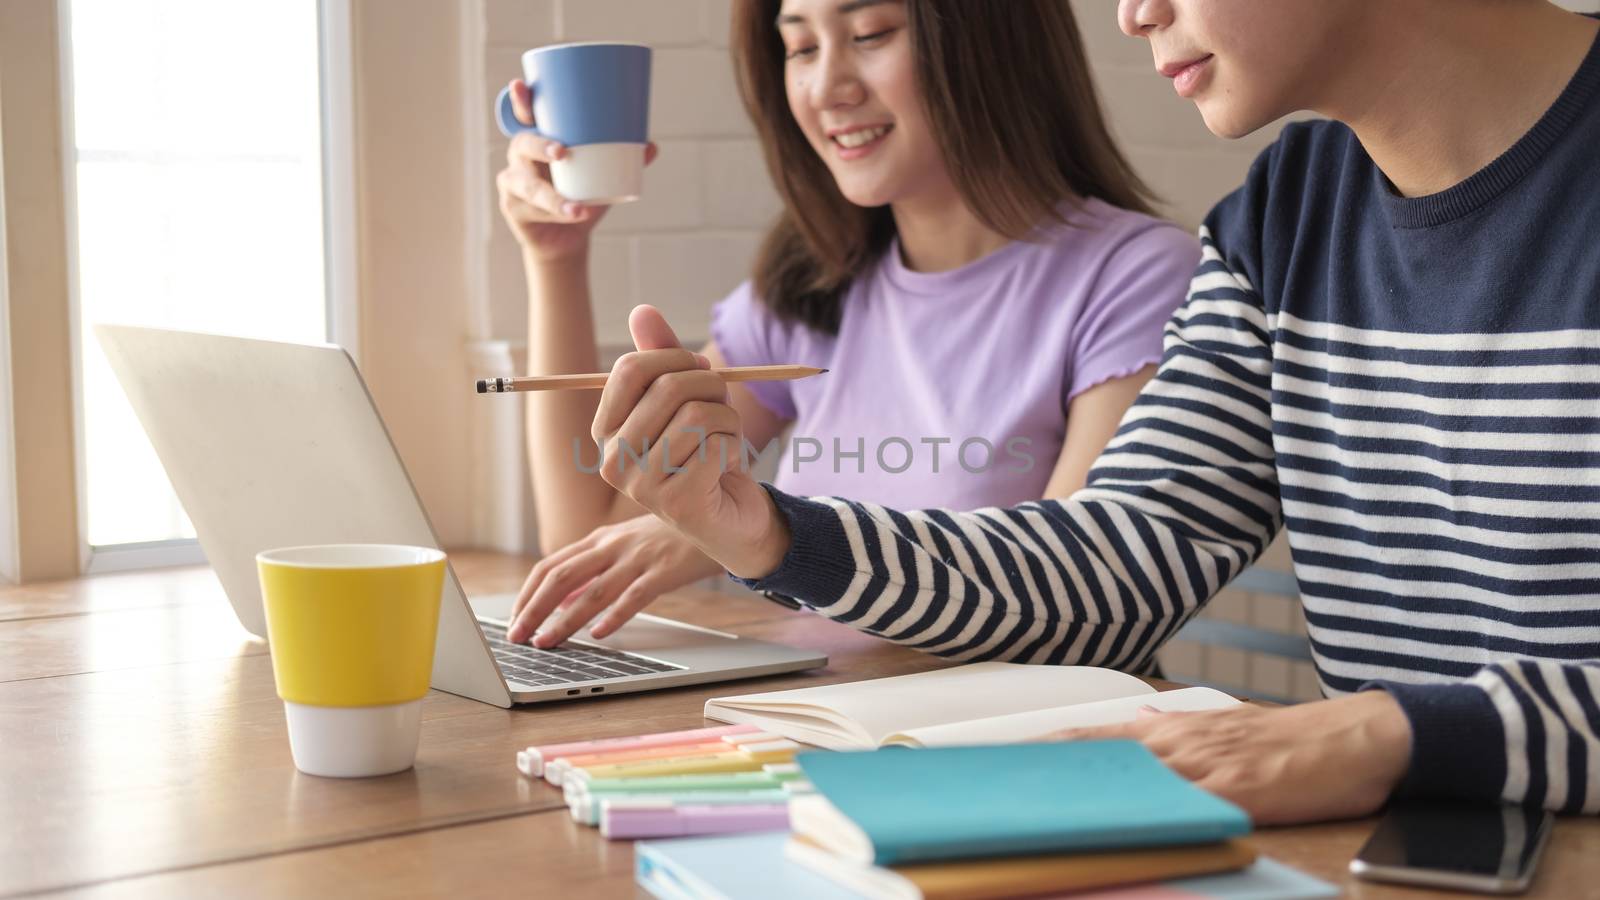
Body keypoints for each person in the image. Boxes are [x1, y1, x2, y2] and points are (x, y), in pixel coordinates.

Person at [583, 0, 1600, 825]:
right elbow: (1121, 559)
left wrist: (1394, 734)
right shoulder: (1281, 215)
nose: (1130, 14)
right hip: (1406, 855)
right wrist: (770, 533)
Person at [494, 0, 1199, 647]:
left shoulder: (1134, 277)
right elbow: (584, 547)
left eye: (870, 35)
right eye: (800, 48)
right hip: (807, 721)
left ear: (991, 39)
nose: (827, 87)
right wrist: (555, 258)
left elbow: (1072, 596)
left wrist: (754, 534)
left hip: (998, 747)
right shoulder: (810, 283)